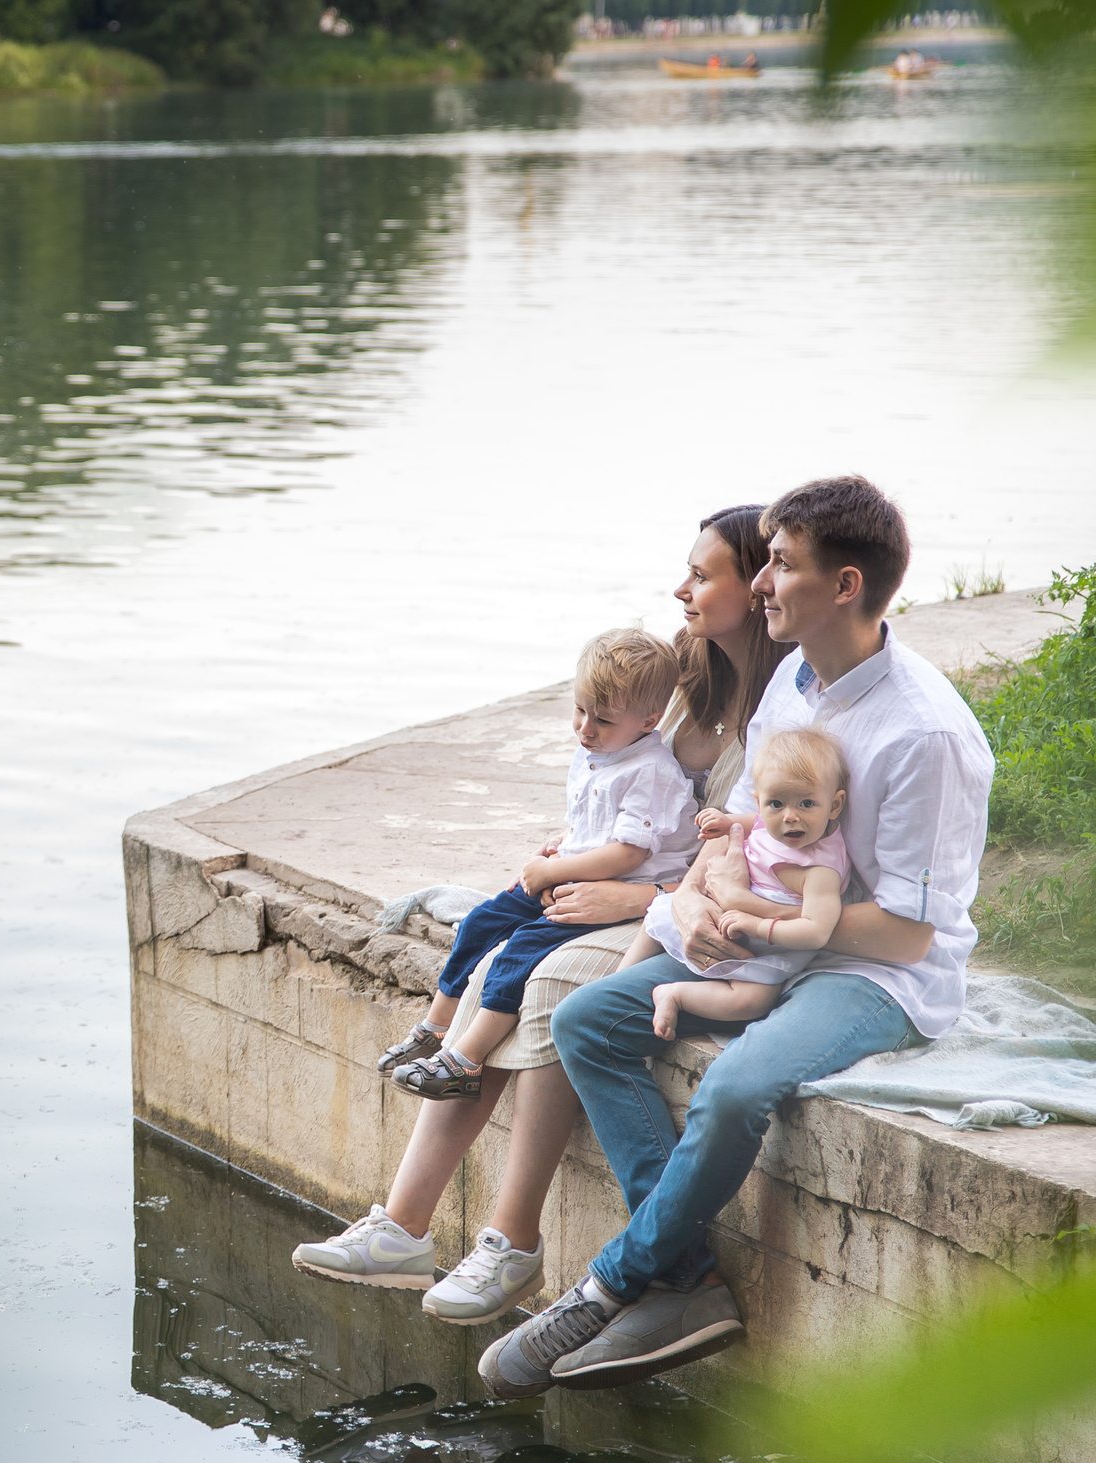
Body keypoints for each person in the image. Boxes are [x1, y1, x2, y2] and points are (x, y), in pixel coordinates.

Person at [481, 474, 994, 1399]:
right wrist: (713, 897)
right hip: (766, 941)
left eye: (782, 565)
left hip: (868, 973)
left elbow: (912, 934)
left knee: (735, 1085)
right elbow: (740, 827)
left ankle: (612, 1283)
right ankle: (685, 1282)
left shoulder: (924, 735)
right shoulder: (794, 681)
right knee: (587, 1019)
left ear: (843, 585)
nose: (761, 584)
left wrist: (763, 923)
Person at [287, 507, 789, 1328]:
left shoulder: (783, 706)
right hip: (643, 898)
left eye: (703, 575)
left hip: (687, 920)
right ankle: (403, 1224)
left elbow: (757, 860)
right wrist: (575, 852)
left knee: (554, 983)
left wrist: (641, 900)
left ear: (758, 579)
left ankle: (511, 1241)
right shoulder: (681, 679)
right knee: (494, 963)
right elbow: (626, 787)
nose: (681, 587)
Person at [375, 629, 697, 1103]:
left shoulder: (650, 771)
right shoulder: (599, 751)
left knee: (522, 950)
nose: (586, 727)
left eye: (603, 719)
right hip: (578, 868)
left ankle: (465, 1061)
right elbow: (593, 821)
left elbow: (630, 853)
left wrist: (554, 872)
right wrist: (563, 844)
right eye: (580, 710)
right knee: (483, 922)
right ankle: (436, 1026)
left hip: (621, 887)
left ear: (650, 721)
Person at [624, 727, 849, 1040]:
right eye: (776, 804)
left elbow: (816, 931)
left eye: (807, 804)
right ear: (760, 803)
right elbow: (751, 822)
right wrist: (725, 822)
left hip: (764, 948)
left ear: (835, 805)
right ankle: (620, 977)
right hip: (724, 916)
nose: (789, 817)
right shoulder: (768, 820)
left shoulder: (820, 867)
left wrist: (757, 927)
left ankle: (675, 995)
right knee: (657, 919)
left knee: (750, 1001)